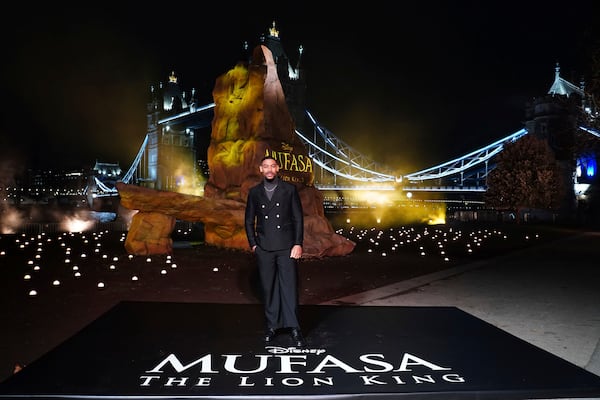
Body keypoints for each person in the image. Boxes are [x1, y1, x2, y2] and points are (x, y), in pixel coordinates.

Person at [244, 155, 306, 347]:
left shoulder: (289, 190)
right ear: (260, 169)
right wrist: (254, 244)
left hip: (286, 246)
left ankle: (293, 327)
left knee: (289, 287)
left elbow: (298, 218)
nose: (269, 169)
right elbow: (248, 220)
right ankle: (272, 326)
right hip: (265, 247)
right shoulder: (254, 192)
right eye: (266, 166)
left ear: (277, 168)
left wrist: (298, 243)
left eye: (272, 166)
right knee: (268, 288)